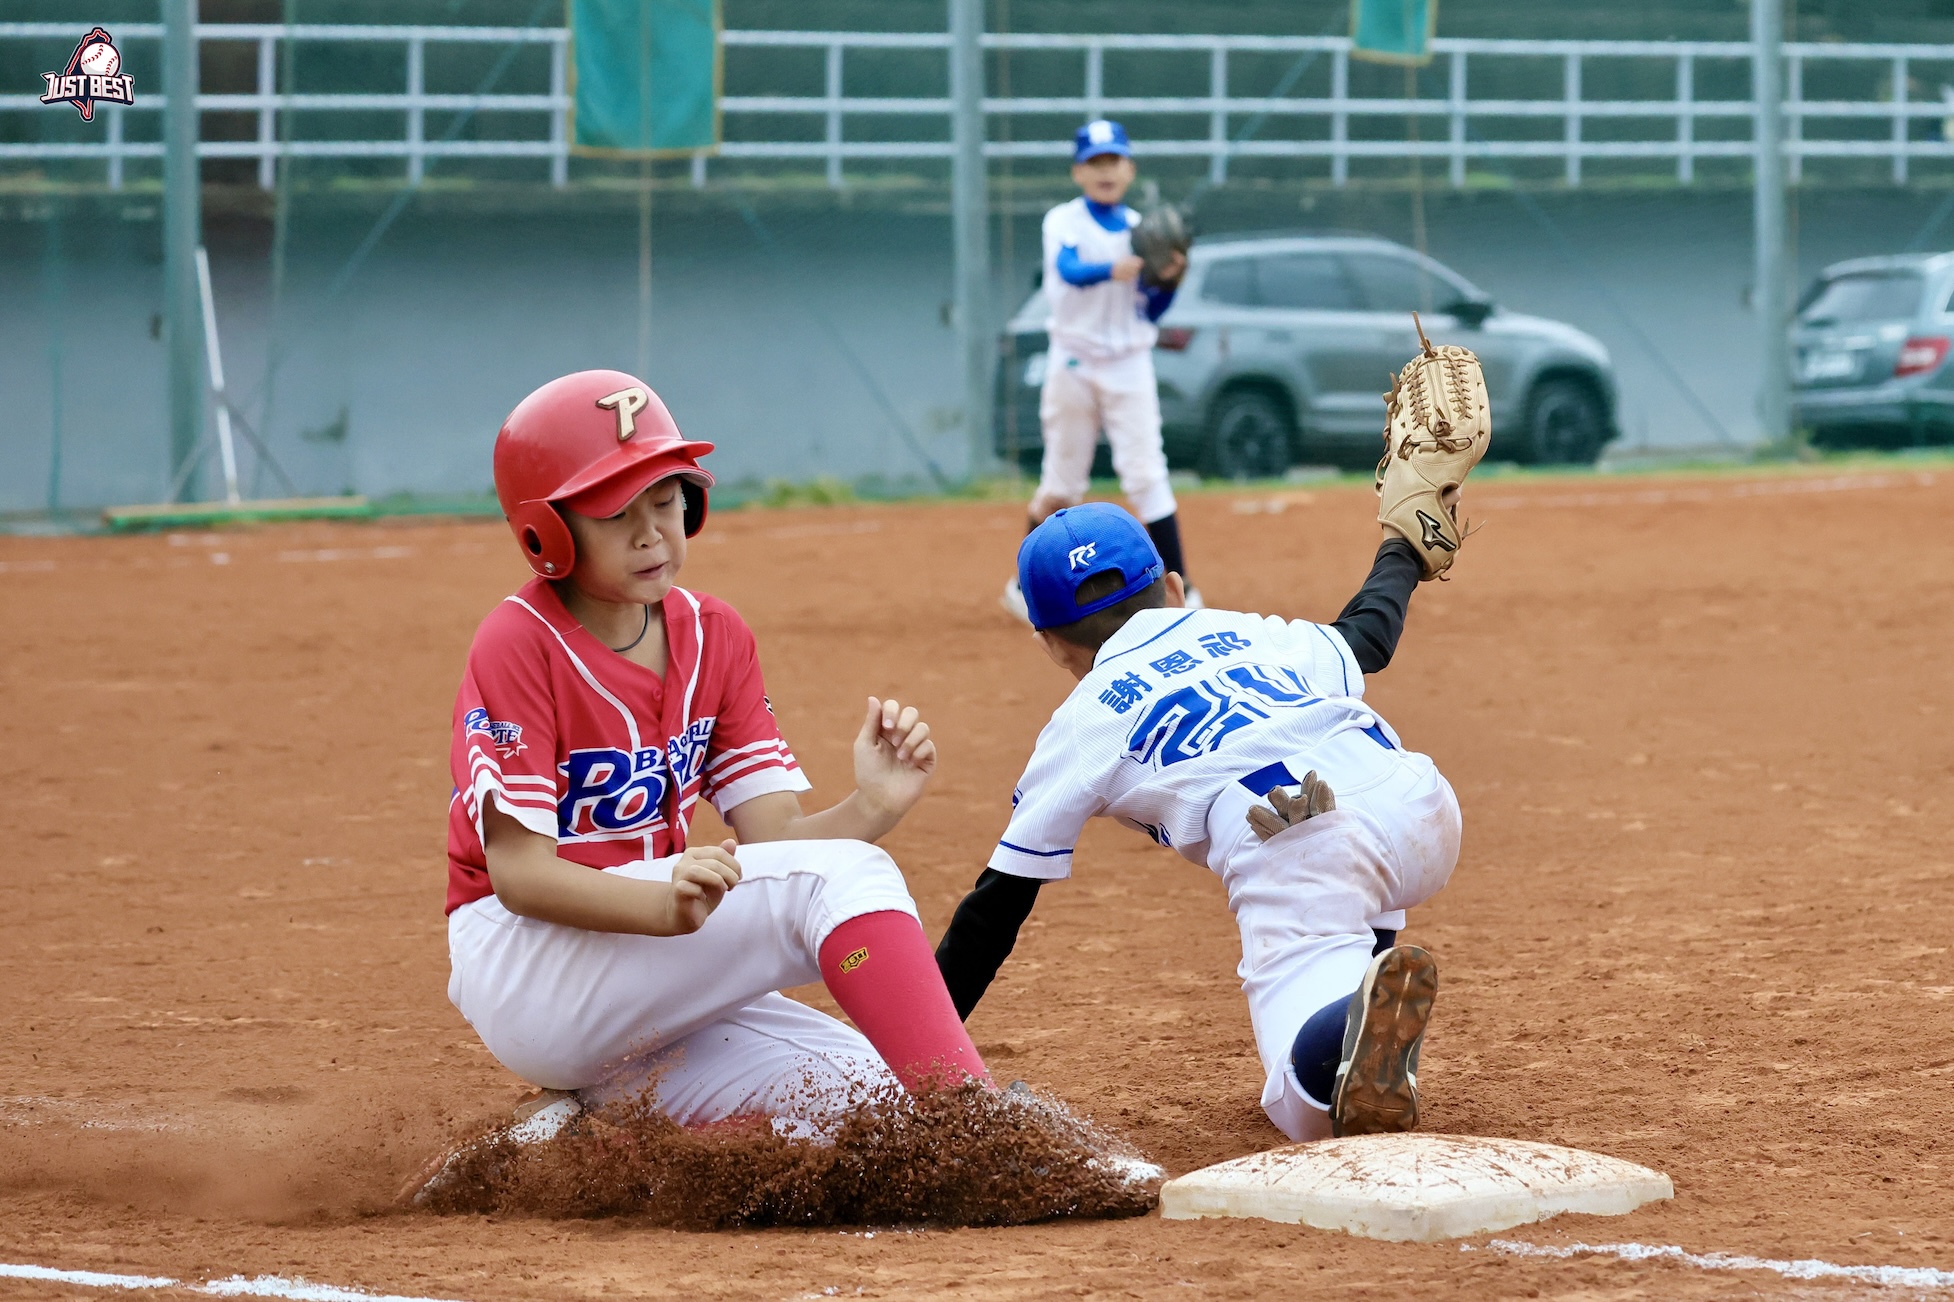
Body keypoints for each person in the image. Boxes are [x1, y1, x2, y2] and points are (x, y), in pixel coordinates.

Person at [443, 369, 988, 1143]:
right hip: (528, 960)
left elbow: (774, 843)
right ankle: (981, 1131)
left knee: (875, 1104)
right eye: (616, 512)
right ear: (547, 532)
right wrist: (659, 907)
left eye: (665, 500)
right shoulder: (519, 641)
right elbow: (520, 875)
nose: (651, 532)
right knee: (851, 878)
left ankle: (569, 1149)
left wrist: (871, 804)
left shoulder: (715, 634)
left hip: (644, 967)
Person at [944, 502, 1460, 1141]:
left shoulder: (1082, 722)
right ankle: (1361, 984)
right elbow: (1368, 635)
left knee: (1305, 1105)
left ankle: (1342, 1030)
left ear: (1048, 643)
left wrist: (902, 1048)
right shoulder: (1233, 629)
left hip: (1301, 837)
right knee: (1343, 867)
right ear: (1173, 589)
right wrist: (1400, 547)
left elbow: (993, 912)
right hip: (1416, 796)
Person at [1002, 118, 1200, 623]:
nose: (1104, 171)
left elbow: (1151, 310)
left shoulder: (1141, 230)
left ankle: (1183, 589)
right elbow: (1068, 271)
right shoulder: (1063, 222)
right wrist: (1115, 268)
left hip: (1129, 365)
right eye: (1094, 162)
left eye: (1113, 160)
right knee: (1061, 485)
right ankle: (1024, 586)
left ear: (1129, 169)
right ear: (1078, 172)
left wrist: (1170, 280)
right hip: (1074, 362)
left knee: (1147, 476)